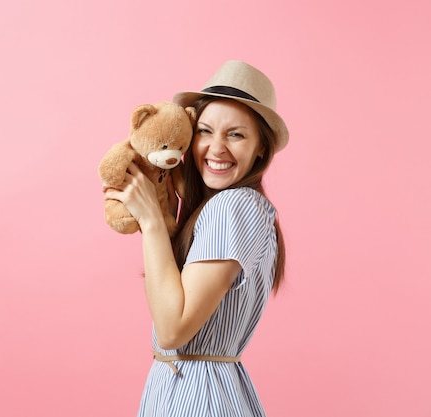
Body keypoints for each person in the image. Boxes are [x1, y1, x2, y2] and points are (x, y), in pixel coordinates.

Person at [103, 60, 289, 416]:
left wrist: (152, 221)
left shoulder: (232, 206)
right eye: (205, 131)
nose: (216, 148)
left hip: (200, 397)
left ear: (261, 148)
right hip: (190, 388)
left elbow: (172, 331)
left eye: (235, 134)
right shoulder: (221, 209)